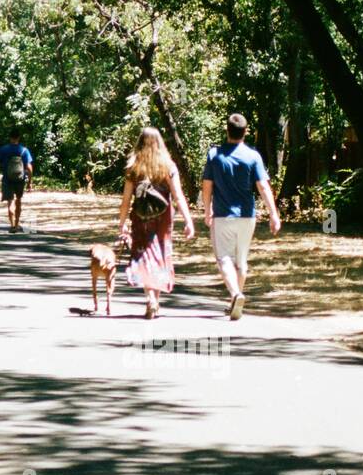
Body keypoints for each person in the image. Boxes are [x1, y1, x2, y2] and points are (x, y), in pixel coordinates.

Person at [201, 113, 281, 321]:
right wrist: (273, 213)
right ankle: (235, 303)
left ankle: (236, 294)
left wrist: (207, 209)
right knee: (241, 259)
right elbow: (263, 186)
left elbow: (207, 185)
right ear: (245, 132)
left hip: (223, 215)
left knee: (224, 258)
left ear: (227, 130)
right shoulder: (253, 156)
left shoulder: (214, 154)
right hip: (247, 215)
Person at [117, 127, 195, 318]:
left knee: (144, 256)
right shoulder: (168, 166)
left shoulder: (133, 166)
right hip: (163, 217)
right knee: (160, 255)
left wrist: (122, 223)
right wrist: (188, 220)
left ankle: (151, 297)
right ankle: (155, 300)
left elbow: (126, 199)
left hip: (140, 216)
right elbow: (178, 195)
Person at [0, 129, 34, 233]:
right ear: (18, 138)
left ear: (10, 137)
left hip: (7, 179)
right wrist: (29, 182)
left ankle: (11, 225)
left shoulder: (3, 149)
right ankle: (17, 225)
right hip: (20, 179)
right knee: (18, 200)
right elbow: (29, 168)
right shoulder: (24, 150)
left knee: (10, 201)